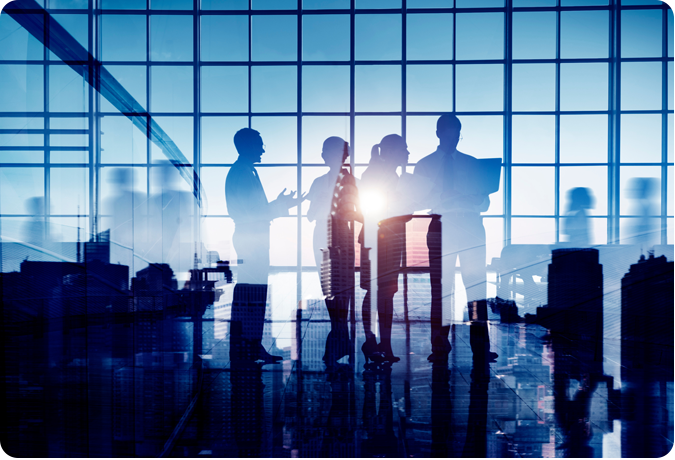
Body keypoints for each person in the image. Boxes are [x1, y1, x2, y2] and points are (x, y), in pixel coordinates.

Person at [413, 114, 493, 364]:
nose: (454, 138)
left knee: (476, 287)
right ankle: (439, 343)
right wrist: (442, 194)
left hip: (470, 224)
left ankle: (480, 346)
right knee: (440, 288)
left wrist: (473, 199)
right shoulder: (424, 165)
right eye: (449, 133)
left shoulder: (473, 164)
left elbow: (486, 202)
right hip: (441, 225)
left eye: (457, 133)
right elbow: (417, 201)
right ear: (438, 133)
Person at [225, 127, 301, 363]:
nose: (263, 148)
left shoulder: (245, 171)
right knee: (252, 293)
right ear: (247, 145)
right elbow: (254, 212)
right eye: (259, 143)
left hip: (251, 237)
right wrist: (281, 206)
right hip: (251, 237)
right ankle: (248, 345)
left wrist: (281, 204)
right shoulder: (243, 173)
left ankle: (248, 345)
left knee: (251, 291)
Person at [358, 134, 412, 364]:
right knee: (377, 291)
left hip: (390, 238)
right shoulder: (374, 175)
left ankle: (381, 343)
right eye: (404, 150)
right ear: (391, 152)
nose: (408, 154)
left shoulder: (391, 175)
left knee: (384, 292)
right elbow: (371, 209)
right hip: (378, 238)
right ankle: (374, 342)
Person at [305, 136, 354, 366]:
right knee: (330, 288)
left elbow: (355, 211)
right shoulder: (318, 182)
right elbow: (310, 215)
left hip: (341, 235)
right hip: (322, 235)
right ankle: (339, 338)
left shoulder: (350, 180)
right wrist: (323, 202)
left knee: (341, 288)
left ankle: (337, 339)